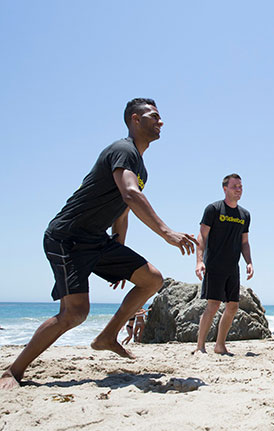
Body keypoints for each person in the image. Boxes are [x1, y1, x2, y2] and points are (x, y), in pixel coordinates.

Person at [1, 98, 196, 390]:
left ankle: (107, 337)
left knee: (151, 279)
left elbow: (122, 210)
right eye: (153, 116)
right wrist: (167, 232)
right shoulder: (123, 150)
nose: (161, 121)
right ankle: (13, 372)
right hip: (67, 237)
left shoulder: (140, 167)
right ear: (135, 119)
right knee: (75, 313)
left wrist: (119, 253)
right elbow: (130, 195)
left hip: (97, 240)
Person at [194, 174, 253, 355]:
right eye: (235, 186)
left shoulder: (244, 215)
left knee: (233, 306)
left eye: (240, 187)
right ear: (225, 188)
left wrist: (249, 262)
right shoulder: (213, 209)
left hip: (232, 267)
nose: (238, 190)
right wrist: (199, 261)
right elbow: (202, 236)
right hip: (214, 264)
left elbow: (244, 242)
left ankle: (220, 345)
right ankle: (200, 347)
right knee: (213, 305)